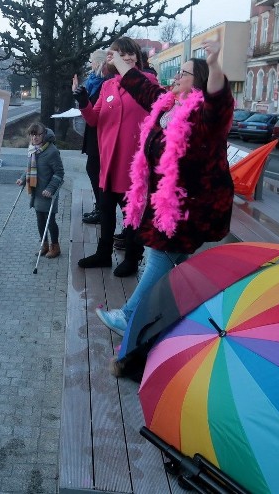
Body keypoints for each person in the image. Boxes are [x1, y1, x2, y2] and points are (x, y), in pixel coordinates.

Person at [98, 34, 234, 377]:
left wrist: (215, 64)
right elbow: (141, 87)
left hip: (192, 210)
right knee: (163, 265)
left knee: (161, 258)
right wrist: (115, 60)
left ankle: (131, 323)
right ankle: (140, 341)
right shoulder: (168, 105)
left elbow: (220, 100)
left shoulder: (205, 115)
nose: (175, 78)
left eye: (183, 74)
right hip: (166, 205)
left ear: (198, 83)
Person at [74, 37, 156, 277]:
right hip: (108, 160)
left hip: (133, 162)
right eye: (121, 54)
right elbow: (94, 119)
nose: (127, 58)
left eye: (131, 54)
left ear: (138, 58)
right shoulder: (109, 86)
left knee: (132, 214)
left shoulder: (146, 82)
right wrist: (82, 102)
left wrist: (120, 63)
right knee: (107, 210)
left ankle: (132, 257)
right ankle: (103, 254)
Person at [16, 124, 65, 258]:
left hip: (48, 193)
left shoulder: (51, 151)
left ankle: (55, 247)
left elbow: (59, 173)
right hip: (37, 192)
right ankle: (44, 245)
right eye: (32, 134)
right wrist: (22, 178)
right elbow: (30, 168)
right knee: (40, 220)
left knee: (50, 221)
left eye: (37, 134)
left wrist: (50, 189)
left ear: (43, 135)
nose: (35, 137)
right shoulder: (32, 149)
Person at [79, 50, 111, 225]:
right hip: (93, 132)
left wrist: (84, 101)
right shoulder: (94, 82)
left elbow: (98, 109)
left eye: (92, 62)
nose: (90, 65)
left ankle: (102, 209)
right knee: (93, 169)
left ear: (99, 63)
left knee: (95, 169)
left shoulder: (104, 83)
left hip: (99, 133)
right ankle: (100, 207)